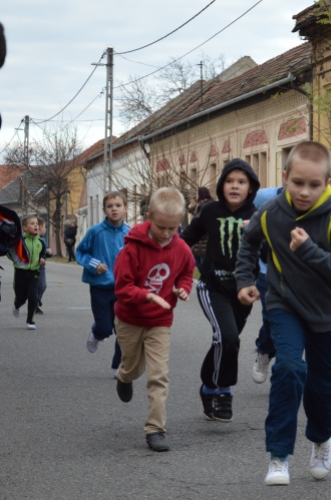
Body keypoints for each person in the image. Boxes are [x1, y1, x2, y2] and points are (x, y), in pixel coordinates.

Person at [235, 141, 331, 486]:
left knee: (321, 381)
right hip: (284, 302)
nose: (305, 191)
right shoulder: (272, 212)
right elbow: (248, 242)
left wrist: (308, 250)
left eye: (314, 185)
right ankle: (278, 455)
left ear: (327, 183)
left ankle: (321, 439)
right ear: (285, 177)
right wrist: (245, 280)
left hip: (326, 311)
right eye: (298, 183)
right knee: (289, 367)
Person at [113, 187, 195, 452]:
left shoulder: (180, 248)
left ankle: (155, 429)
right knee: (133, 367)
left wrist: (183, 288)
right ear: (149, 217)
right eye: (162, 227)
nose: (168, 234)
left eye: (174, 228)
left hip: (161, 320)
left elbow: (186, 271)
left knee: (158, 374)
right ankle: (124, 378)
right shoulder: (132, 249)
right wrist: (147, 296)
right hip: (129, 318)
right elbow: (122, 288)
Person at [180, 159, 260, 422]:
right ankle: (222, 391)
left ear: (251, 187)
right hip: (212, 286)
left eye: (241, 182)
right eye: (229, 181)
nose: (234, 186)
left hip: (243, 291)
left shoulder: (258, 215)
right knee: (227, 337)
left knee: (226, 341)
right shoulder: (211, 211)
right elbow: (186, 240)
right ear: (221, 185)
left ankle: (207, 386)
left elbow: (270, 251)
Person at [76, 192, 129, 377]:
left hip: (123, 290)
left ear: (126, 209)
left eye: (118, 205)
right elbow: (80, 253)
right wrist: (94, 264)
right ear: (104, 210)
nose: (114, 208)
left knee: (123, 330)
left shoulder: (130, 234)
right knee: (105, 327)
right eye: (110, 206)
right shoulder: (95, 231)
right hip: (100, 288)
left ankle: (118, 366)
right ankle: (97, 334)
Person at [248, 186, 284, 384]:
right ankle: (264, 351)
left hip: (298, 277)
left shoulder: (317, 201)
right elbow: (250, 232)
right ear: (286, 177)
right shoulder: (263, 197)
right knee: (272, 319)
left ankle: (284, 368)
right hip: (266, 271)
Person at [10, 215, 45, 329]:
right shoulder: (20, 241)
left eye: (36, 223)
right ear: (25, 227)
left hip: (34, 273)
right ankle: (17, 304)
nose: (36, 225)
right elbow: (9, 253)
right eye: (32, 223)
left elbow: (42, 254)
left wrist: (42, 259)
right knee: (21, 296)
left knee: (33, 296)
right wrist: (20, 259)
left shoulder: (40, 242)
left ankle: (31, 321)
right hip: (20, 272)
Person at [190, 187, 213, 267]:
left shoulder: (205, 206)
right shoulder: (199, 206)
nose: (195, 195)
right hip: (199, 243)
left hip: (204, 243)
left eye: (196, 193)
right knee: (199, 266)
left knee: (204, 267)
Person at [35, 219, 53, 315]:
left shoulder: (43, 240)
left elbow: (47, 253)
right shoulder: (28, 240)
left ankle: (36, 302)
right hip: (32, 267)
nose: (45, 229)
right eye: (45, 227)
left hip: (41, 267)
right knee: (32, 286)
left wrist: (49, 252)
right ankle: (35, 304)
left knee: (42, 285)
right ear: (41, 227)